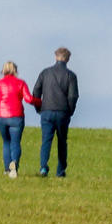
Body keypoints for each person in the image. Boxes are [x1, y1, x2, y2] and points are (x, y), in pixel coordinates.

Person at [0, 61, 38, 178]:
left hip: (1, 117)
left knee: (6, 142)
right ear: (15, 70)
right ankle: (14, 164)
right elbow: (29, 99)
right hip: (16, 117)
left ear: (3, 70)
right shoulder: (21, 83)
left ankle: (7, 169)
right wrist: (40, 102)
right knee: (15, 143)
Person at [32, 47, 79, 177]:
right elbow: (73, 96)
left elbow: (36, 91)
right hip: (63, 112)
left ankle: (43, 167)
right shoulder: (71, 75)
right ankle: (60, 170)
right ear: (68, 59)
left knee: (46, 140)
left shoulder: (45, 73)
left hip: (46, 110)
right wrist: (70, 111)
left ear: (55, 57)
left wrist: (39, 108)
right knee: (62, 141)